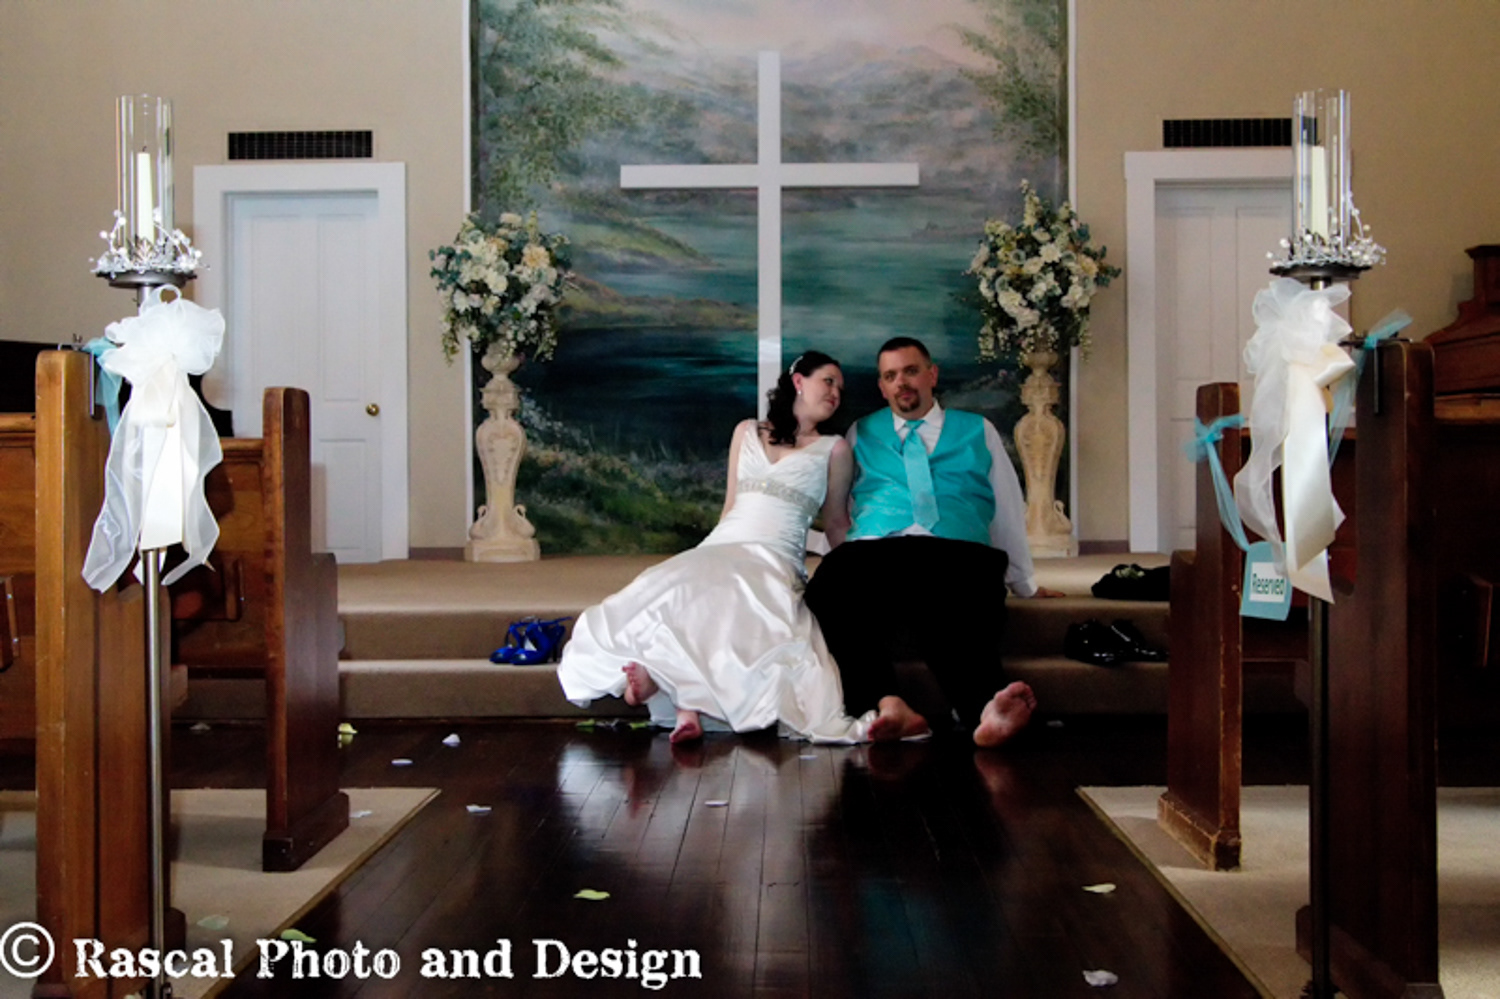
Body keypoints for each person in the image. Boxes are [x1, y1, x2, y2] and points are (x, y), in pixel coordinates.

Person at [556, 351, 879, 744]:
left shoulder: (834, 450)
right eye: (828, 381)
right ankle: (684, 707)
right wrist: (705, 557)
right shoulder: (746, 432)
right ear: (798, 382)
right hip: (726, 543)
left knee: (741, 598)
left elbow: (835, 523)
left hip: (775, 556)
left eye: (840, 389)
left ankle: (678, 696)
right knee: (685, 586)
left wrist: (866, 564)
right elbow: (730, 506)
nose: (835, 393)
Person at [804, 336, 1064, 748]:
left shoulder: (979, 431)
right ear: (881, 386)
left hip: (956, 551)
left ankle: (986, 709)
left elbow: (1008, 510)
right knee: (829, 591)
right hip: (879, 549)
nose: (901, 382)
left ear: (931, 374)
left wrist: (1024, 583)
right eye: (890, 376)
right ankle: (887, 703)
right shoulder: (860, 433)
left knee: (954, 612)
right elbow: (846, 507)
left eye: (910, 371)